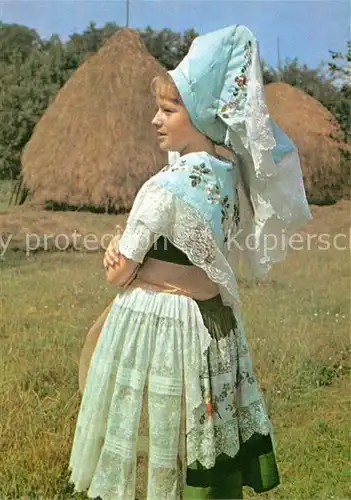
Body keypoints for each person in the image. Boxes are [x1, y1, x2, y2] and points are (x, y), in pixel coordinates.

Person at [68, 25, 311, 499]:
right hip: (214, 330)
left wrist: (128, 260)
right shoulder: (230, 180)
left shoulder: (162, 189)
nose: (156, 120)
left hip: (161, 328)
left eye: (168, 110)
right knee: (196, 443)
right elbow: (210, 274)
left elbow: (119, 273)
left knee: (159, 445)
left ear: (198, 114)